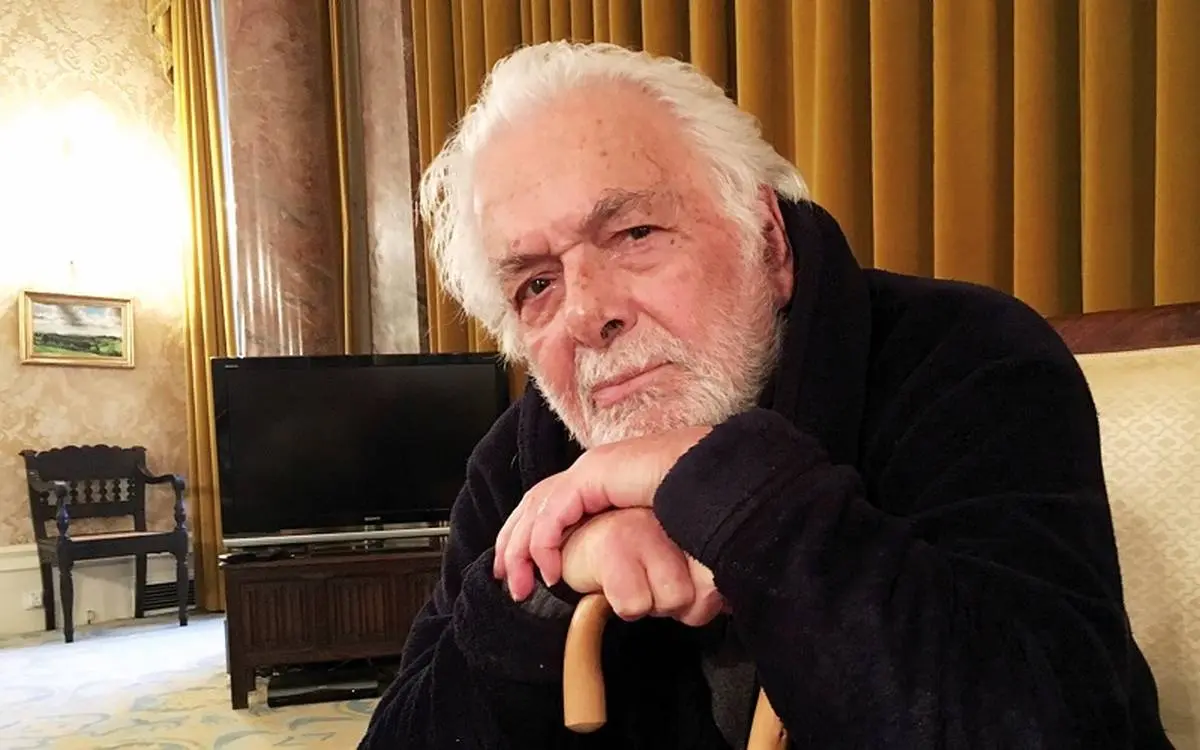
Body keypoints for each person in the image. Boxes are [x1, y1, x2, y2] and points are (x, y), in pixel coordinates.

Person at [359, 41, 1170, 749]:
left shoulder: (969, 358)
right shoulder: (521, 460)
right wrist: (543, 586)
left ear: (771, 242)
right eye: (537, 284)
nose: (585, 314)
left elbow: (1044, 724)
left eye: (635, 234)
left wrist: (726, 488)